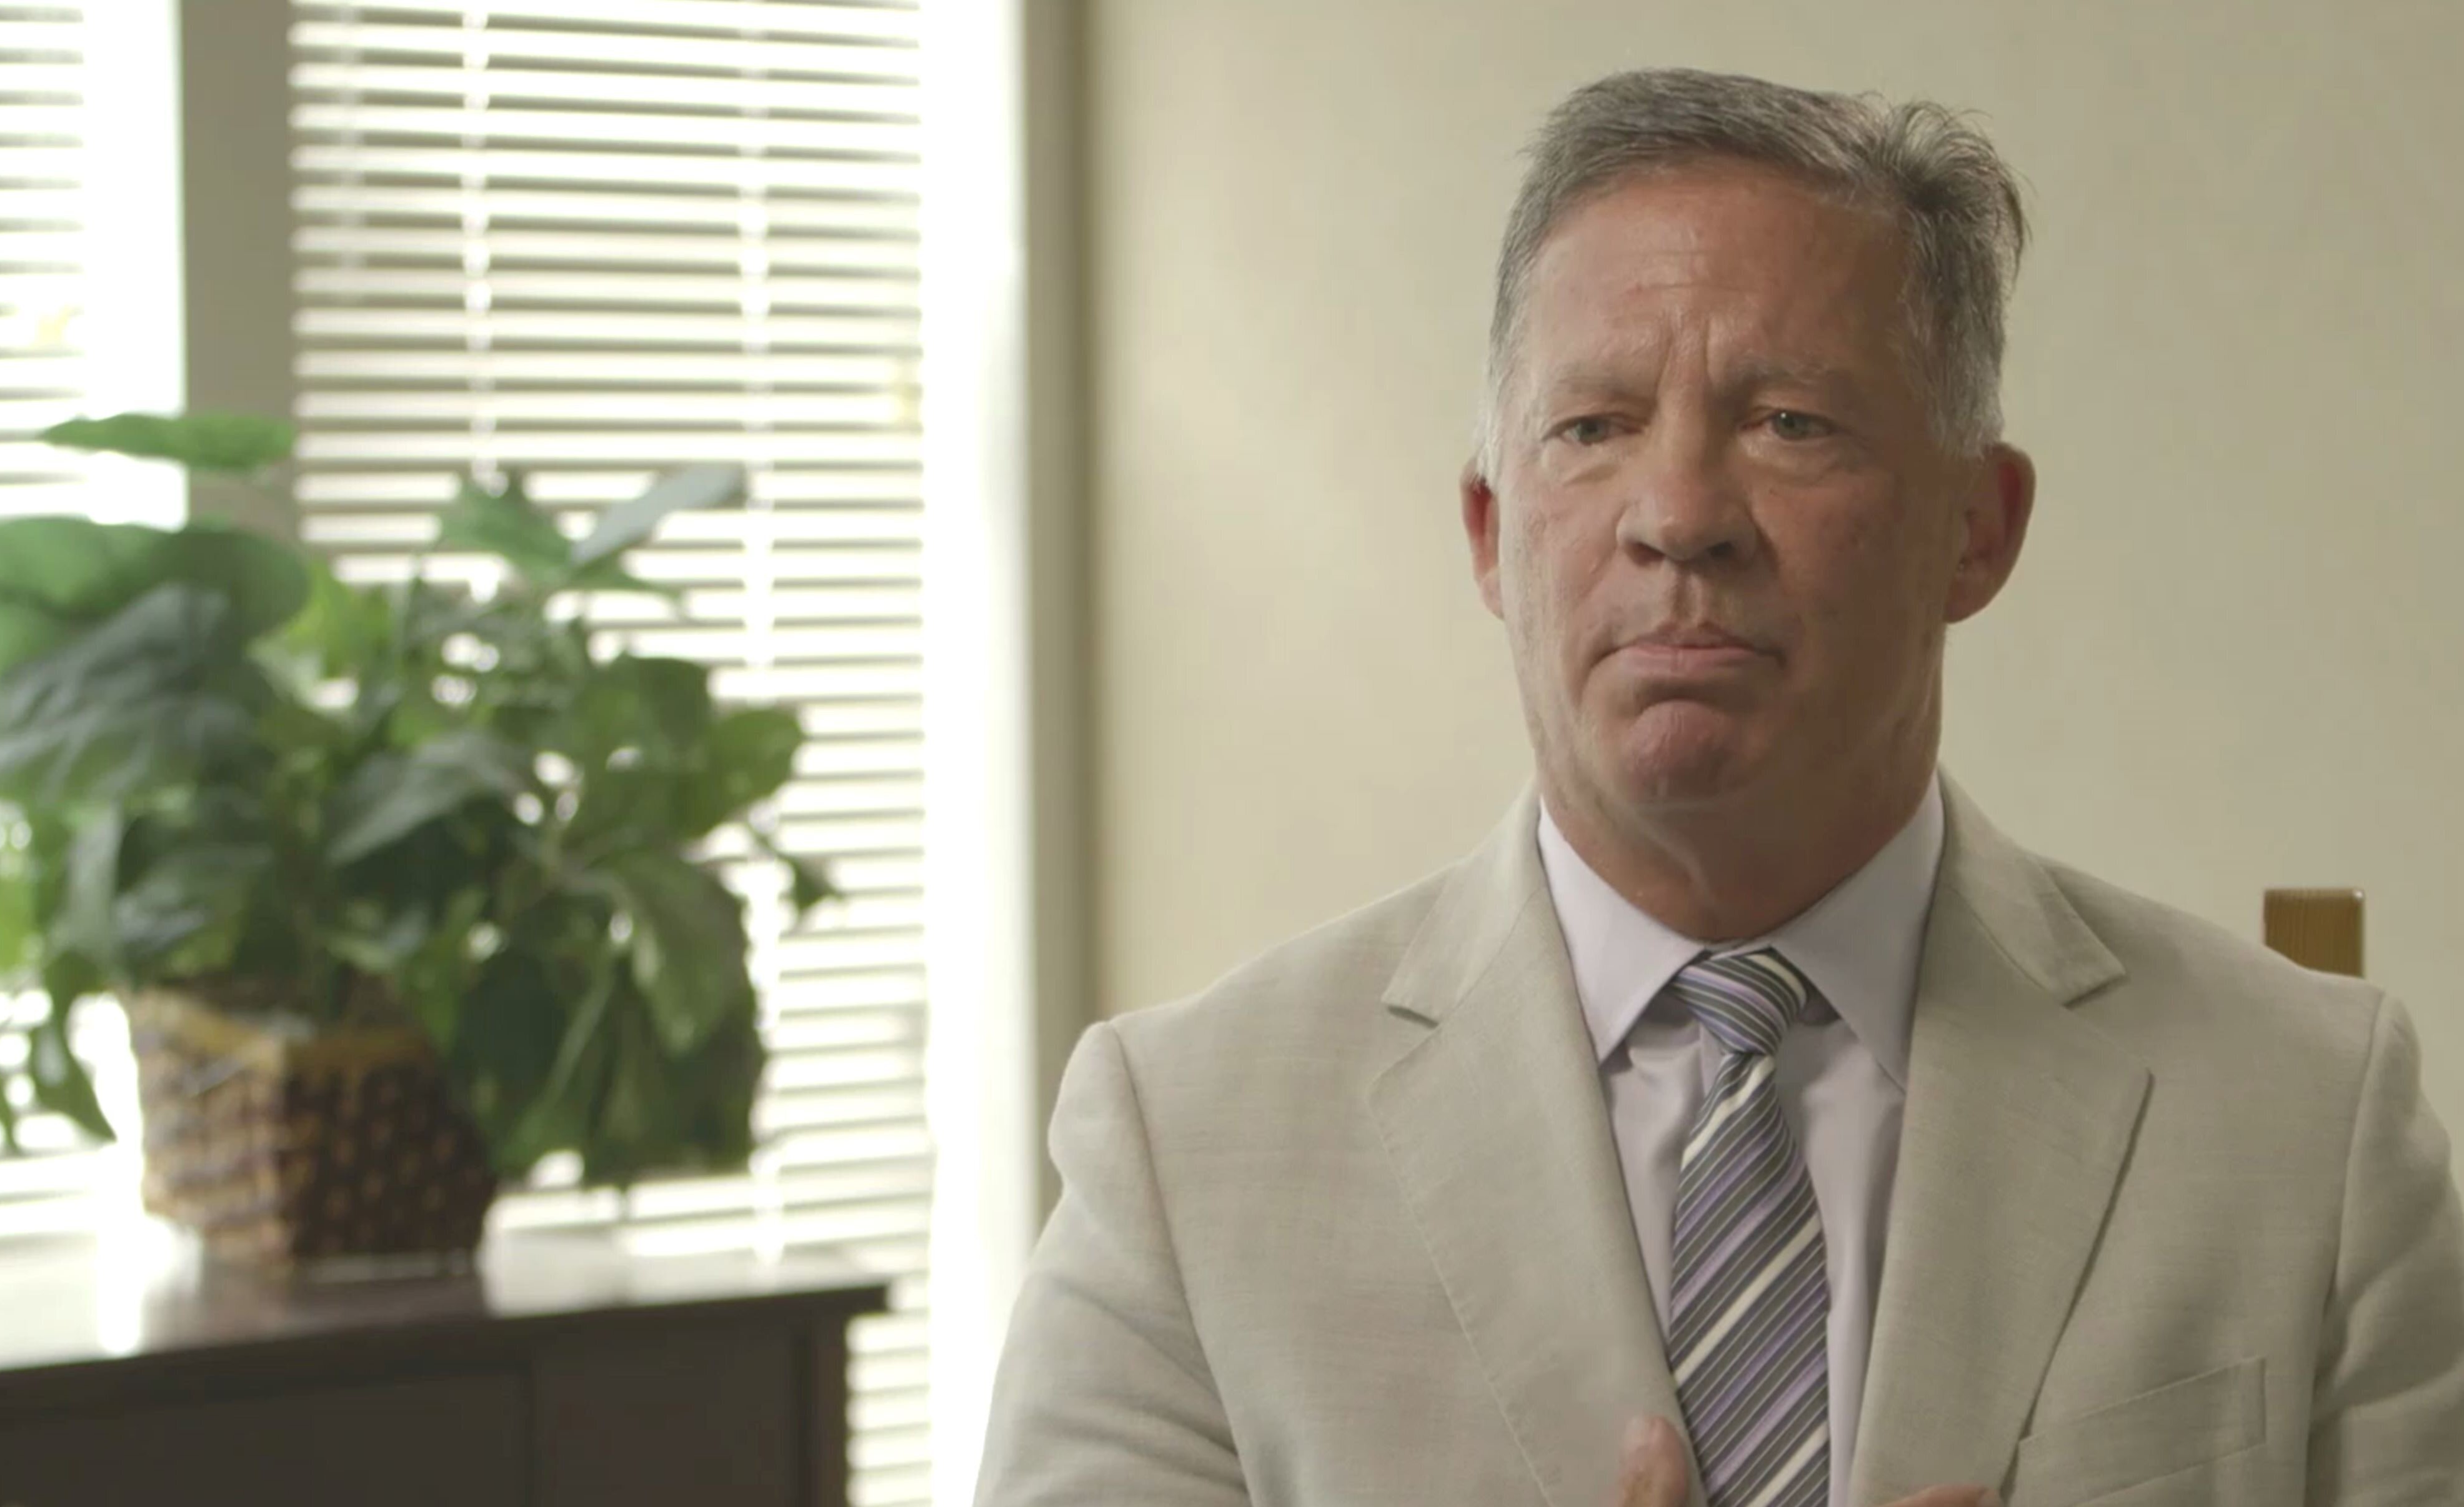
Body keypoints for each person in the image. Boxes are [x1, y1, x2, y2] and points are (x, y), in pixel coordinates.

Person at [974, 67, 2464, 1507]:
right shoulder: (1187, 1143)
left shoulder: (2302, 1118)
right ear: (1490, 533)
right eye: (1591, 429)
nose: (1678, 516)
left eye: (1788, 423)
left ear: (1975, 527)